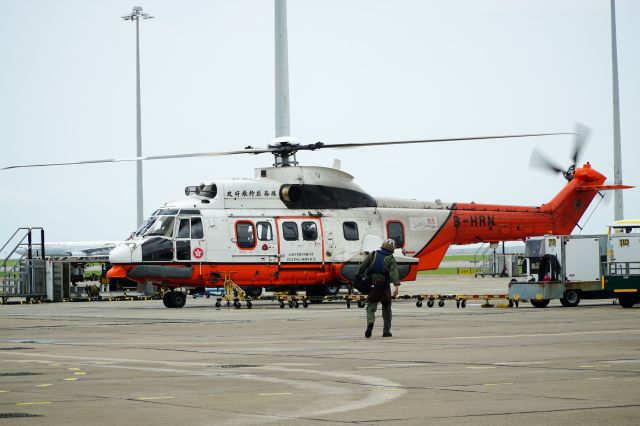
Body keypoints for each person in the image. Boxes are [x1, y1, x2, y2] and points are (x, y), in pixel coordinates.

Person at [358, 239, 401, 338]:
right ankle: (386, 331)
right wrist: (396, 287)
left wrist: (358, 277)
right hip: (385, 286)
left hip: (373, 285)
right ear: (392, 249)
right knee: (386, 308)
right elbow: (394, 274)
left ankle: (370, 323)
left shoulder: (373, 255)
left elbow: (362, 267)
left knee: (371, 307)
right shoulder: (390, 259)